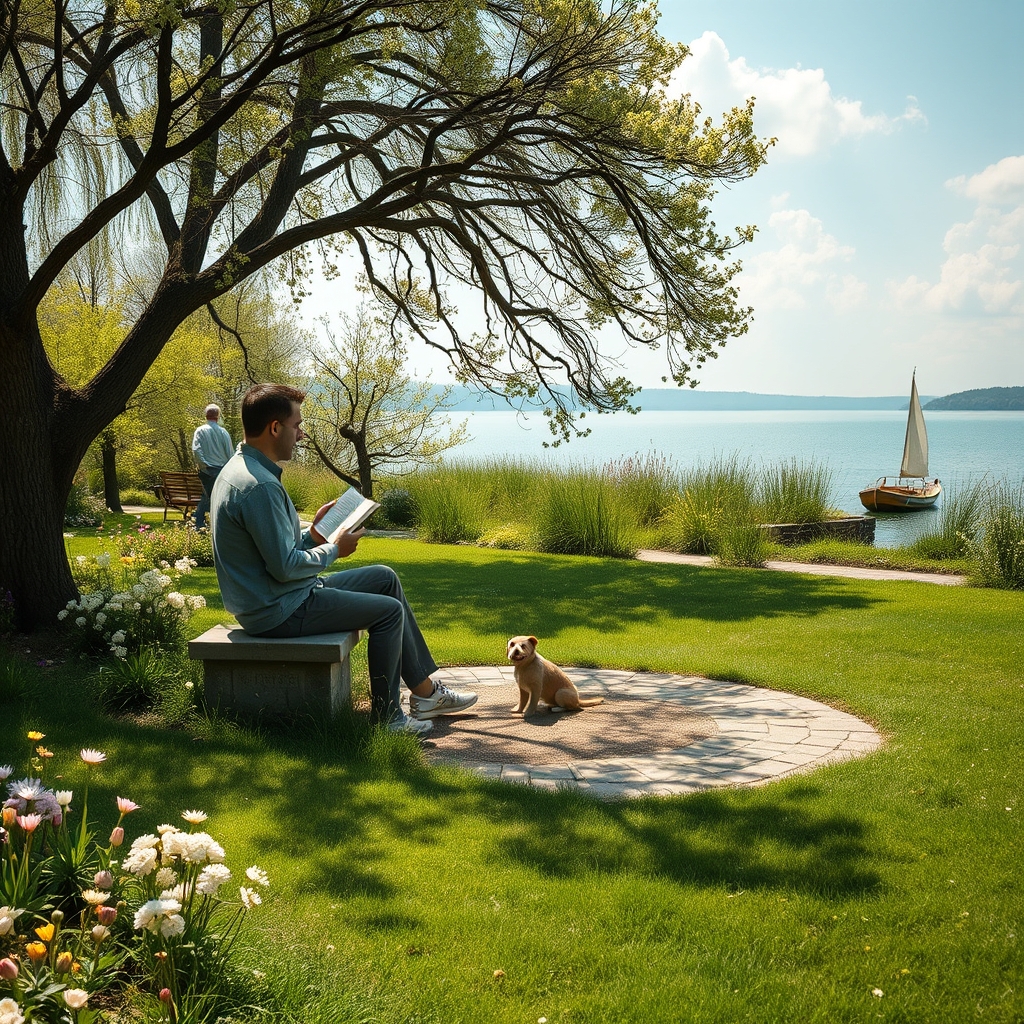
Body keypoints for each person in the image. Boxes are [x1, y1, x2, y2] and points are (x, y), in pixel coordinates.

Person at [209, 383, 476, 735]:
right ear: (275, 427)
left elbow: (275, 552)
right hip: (278, 610)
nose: (301, 434)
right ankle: (388, 718)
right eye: (297, 425)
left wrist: (316, 534)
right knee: (388, 612)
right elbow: (286, 566)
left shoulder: (242, 470)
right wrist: (335, 547)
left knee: (384, 577)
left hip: (280, 595)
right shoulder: (258, 485)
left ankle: (426, 694)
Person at [191, 404, 235, 529]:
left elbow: (196, 450)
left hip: (208, 470)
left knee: (206, 496)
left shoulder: (200, 431)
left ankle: (200, 523)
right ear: (218, 416)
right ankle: (212, 524)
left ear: (206, 415)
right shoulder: (224, 432)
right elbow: (230, 454)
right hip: (222, 470)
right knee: (215, 497)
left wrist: (204, 466)